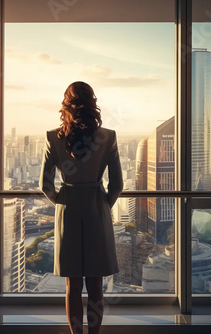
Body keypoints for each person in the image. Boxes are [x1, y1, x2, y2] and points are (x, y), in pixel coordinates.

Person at [39, 81, 123, 334]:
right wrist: (102, 205)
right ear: (92, 103)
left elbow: (45, 185)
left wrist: (63, 201)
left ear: (66, 104)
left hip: (69, 210)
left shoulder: (53, 137)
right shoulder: (108, 137)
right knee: (96, 285)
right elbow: (117, 185)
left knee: (72, 286)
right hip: (97, 209)